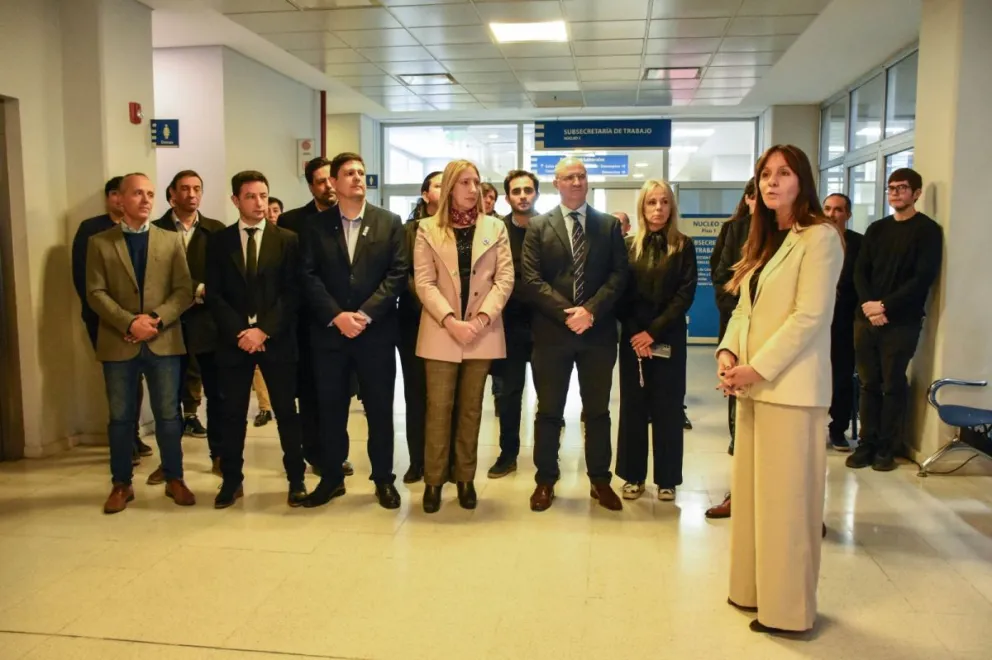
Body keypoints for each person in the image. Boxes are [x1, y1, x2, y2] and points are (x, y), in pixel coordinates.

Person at [716, 144, 842, 633]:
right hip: (754, 391)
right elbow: (745, 310)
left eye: (782, 173)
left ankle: (789, 612)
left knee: (788, 508)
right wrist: (729, 353)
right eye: (765, 174)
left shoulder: (820, 239)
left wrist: (758, 368)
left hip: (791, 391)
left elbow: (808, 317)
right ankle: (751, 592)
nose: (771, 182)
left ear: (801, 181)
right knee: (752, 503)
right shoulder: (766, 241)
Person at [300, 152, 407, 509]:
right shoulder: (315, 226)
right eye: (349, 173)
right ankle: (331, 478)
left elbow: (396, 275)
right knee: (331, 410)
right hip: (330, 336)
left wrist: (363, 314)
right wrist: (337, 315)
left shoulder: (389, 222)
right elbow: (308, 276)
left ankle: (383, 480)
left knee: (379, 410)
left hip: (375, 335)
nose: (357, 178)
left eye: (361, 172)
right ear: (333, 182)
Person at [521, 157, 629, 512]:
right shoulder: (538, 226)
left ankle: (600, 480)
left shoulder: (608, 225)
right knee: (549, 411)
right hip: (552, 334)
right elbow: (532, 279)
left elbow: (619, 276)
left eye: (582, 176)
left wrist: (591, 311)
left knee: (597, 411)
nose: (577, 181)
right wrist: (568, 314)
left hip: (597, 336)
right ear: (557, 183)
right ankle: (545, 480)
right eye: (569, 177)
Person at [85, 173, 196, 513]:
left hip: (163, 340)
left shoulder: (170, 240)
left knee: (168, 415)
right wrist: (129, 322)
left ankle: (174, 478)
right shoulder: (100, 242)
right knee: (120, 418)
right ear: (120, 199)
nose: (146, 200)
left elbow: (183, 290)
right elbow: (95, 292)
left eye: (150, 194)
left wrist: (156, 320)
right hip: (119, 341)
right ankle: (121, 484)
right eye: (138, 194)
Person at [414, 160, 513, 513]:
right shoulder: (427, 228)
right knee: (438, 409)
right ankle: (434, 481)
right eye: (465, 182)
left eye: (476, 182)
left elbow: (505, 280)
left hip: (482, 332)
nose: (473, 189)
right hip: (442, 330)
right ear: (452, 187)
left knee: (471, 409)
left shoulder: (495, 227)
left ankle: (466, 478)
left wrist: (482, 318)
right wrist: (451, 320)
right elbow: (424, 283)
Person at [206, 170, 307, 508]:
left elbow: (293, 293)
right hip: (235, 343)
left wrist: (263, 330)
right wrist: (242, 332)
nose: (259, 203)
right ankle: (231, 481)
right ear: (236, 200)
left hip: (275, 340)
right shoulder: (219, 242)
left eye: (264, 195)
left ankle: (296, 480)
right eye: (250, 196)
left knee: (286, 414)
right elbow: (215, 294)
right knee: (232, 414)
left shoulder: (288, 240)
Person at [847, 168, 943, 472]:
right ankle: (867, 444)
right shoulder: (876, 229)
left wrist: (885, 306)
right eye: (891, 188)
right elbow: (860, 271)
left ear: (916, 193)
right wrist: (868, 305)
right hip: (866, 320)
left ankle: (887, 448)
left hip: (901, 321)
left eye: (902, 188)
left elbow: (922, 277)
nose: (895, 193)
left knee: (892, 384)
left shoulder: (927, 230)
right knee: (868, 383)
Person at [616, 180, 697, 501]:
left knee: (668, 408)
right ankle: (633, 476)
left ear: (672, 207)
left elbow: (684, 294)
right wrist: (638, 333)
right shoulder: (627, 246)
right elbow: (620, 292)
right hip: (633, 340)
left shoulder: (684, 245)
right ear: (642, 207)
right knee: (633, 408)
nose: (658, 208)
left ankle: (667, 479)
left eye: (664, 202)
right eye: (652, 202)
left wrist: (654, 332)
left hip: (670, 338)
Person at [150, 170, 226, 483]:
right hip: (168, 327)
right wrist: (195, 291)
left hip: (208, 327)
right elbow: (154, 280)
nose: (191, 194)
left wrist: (205, 292)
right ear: (172, 194)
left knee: (217, 396)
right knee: (168, 400)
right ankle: (169, 464)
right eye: (185, 189)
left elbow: (223, 278)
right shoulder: (154, 231)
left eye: (197, 188)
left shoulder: (216, 231)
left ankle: (220, 455)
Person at [277, 157, 350, 476]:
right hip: (307, 324)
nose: (328, 186)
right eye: (320, 182)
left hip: (344, 322)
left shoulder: (350, 216)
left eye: (330, 179)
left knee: (339, 395)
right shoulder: (293, 222)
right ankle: (315, 454)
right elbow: (290, 274)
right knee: (309, 393)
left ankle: (338, 453)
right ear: (311, 186)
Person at [71, 176, 152, 463]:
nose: (122, 200)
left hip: (143, 323)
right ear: (110, 198)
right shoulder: (93, 230)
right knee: (119, 381)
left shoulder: (147, 233)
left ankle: (133, 434)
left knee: (139, 376)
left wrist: (140, 321)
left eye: (144, 193)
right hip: (105, 321)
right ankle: (124, 443)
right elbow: (86, 281)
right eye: (116, 194)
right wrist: (122, 321)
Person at [706, 179, 756, 520]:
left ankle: (795, 506)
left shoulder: (802, 234)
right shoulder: (735, 230)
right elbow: (721, 276)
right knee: (740, 415)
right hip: (738, 331)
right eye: (758, 190)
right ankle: (739, 492)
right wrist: (735, 328)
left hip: (783, 341)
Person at [487, 170, 542, 478]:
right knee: (508, 395)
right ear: (507, 197)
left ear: (536, 193)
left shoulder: (549, 228)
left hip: (544, 325)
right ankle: (508, 454)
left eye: (528, 190)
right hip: (506, 326)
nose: (522, 195)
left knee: (549, 396)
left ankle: (547, 460)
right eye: (516, 191)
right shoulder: (497, 230)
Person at [398, 171, 443, 484]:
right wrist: (431, 301)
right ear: (425, 194)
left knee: (445, 398)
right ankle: (418, 461)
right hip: (415, 319)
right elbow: (403, 273)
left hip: (452, 324)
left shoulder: (461, 229)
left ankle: (446, 461)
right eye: (439, 185)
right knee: (417, 395)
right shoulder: (407, 231)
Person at [823, 193, 863, 452]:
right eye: (827, 208)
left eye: (838, 210)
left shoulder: (859, 243)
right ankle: (813, 428)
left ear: (847, 214)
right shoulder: (812, 239)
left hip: (845, 320)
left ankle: (838, 429)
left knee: (841, 376)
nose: (832, 214)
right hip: (815, 321)